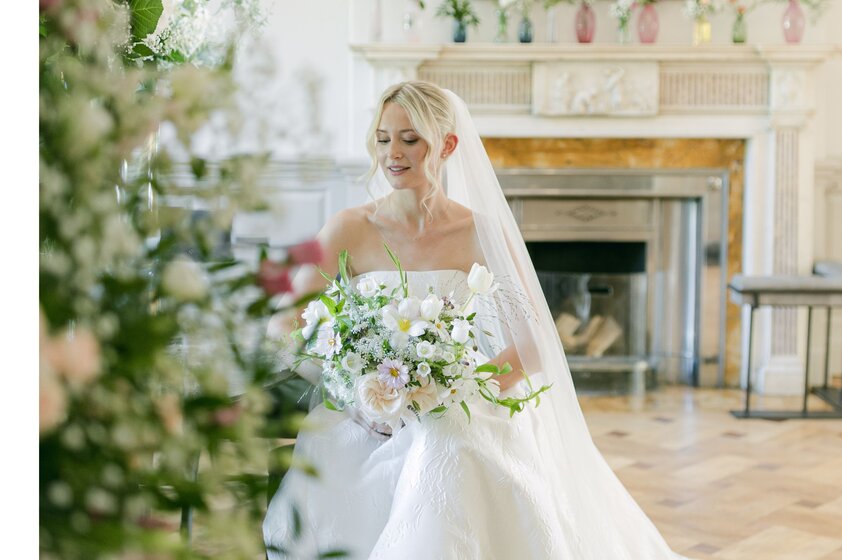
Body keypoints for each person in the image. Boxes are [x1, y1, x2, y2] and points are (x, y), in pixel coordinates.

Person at [263, 81, 688, 559]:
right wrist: (356, 391)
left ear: (446, 144)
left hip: (461, 401)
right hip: (364, 413)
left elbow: (533, 345)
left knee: (448, 445)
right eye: (383, 139)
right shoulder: (349, 227)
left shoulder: (478, 232)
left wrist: (453, 391)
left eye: (410, 139)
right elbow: (287, 323)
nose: (392, 153)